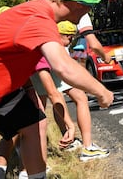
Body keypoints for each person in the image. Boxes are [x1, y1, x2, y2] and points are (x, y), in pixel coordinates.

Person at [0, 0, 114, 179]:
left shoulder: (42, 16)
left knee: (34, 122)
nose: (89, 10)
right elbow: (64, 67)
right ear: (76, 3)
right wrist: (101, 91)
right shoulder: (38, 20)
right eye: (89, 4)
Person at [31, 21, 110, 162]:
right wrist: (71, 125)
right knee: (75, 99)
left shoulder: (50, 42)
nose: (71, 41)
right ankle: (86, 146)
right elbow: (55, 94)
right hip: (47, 68)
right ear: (60, 34)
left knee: (43, 107)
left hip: (40, 69)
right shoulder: (52, 48)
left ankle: (60, 144)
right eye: (69, 37)